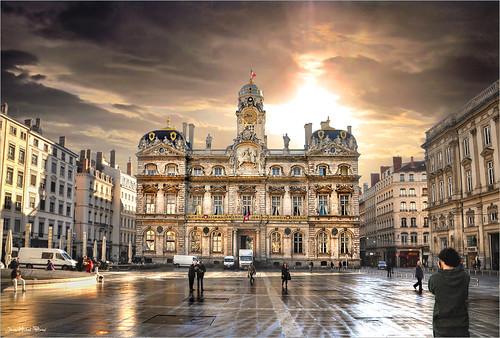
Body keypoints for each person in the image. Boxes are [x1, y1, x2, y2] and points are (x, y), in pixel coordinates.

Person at [428, 248, 470, 337]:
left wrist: (440, 270)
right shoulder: (465, 277)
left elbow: (432, 289)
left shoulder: (435, 278)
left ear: (442, 262)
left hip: (442, 327)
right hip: (461, 326)